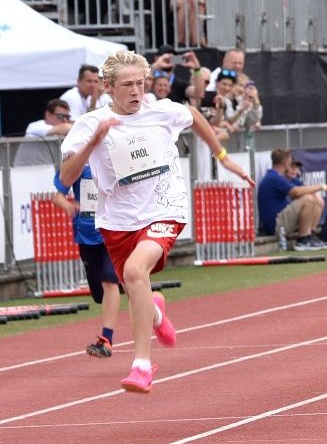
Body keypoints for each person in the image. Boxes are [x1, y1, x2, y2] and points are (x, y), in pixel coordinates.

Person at [59, 50, 251, 392]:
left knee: (134, 273)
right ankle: (157, 313)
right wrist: (94, 143)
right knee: (136, 287)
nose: (136, 91)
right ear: (108, 87)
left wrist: (223, 157)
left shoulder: (162, 111)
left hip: (165, 209)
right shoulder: (89, 124)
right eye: (127, 85)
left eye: (140, 83)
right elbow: (67, 175)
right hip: (117, 220)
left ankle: (142, 366)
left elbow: (193, 114)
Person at [50, 160, 122, 358]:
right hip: (86, 235)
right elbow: (57, 197)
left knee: (109, 280)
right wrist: (69, 206)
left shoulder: (112, 160)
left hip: (111, 231)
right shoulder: (76, 165)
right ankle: (124, 284)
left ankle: (106, 340)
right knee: (99, 294)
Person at [257, 148, 327, 251]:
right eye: (290, 160)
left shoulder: (279, 177)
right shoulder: (273, 177)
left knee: (317, 200)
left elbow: (298, 191)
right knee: (308, 199)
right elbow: (296, 192)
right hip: (275, 226)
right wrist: (322, 186)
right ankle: (303, 239)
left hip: (280, 222)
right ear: (285, 162)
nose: (291, 165)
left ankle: (310, 235)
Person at [19, 98, 73, 165]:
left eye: (67, 117)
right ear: (48, 115)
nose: (65, 120)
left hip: (47, 169)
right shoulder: (35, 126)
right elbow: (66, 127)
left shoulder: (62, 131)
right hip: (23, 170)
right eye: (61, 116)